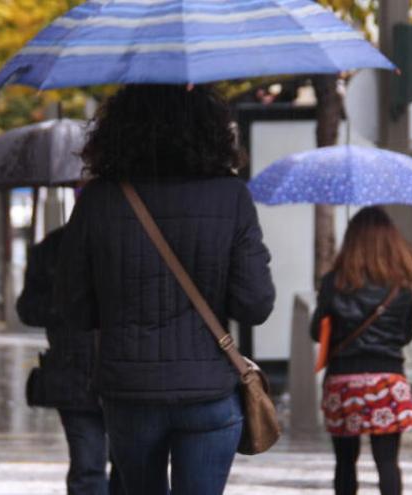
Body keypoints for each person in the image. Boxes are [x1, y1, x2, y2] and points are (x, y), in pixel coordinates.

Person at [56, 84, 275, 495]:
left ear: (119, 130)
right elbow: (255, 304)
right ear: (210, 130)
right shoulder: (231, 197)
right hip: (208, 388)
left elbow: (74, 309)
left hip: (129, 390)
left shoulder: (98, 200)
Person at [309, 207, 412, 495]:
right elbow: (407, 333)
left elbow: (315, 331)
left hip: (343, 382)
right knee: (387, 463)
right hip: (388, 381)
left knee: (345, 462)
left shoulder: (334, 282)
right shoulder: (402, 286)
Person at [17, 226, 122, 495]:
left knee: (131, 470)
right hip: (73, 373)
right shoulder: (52, 248)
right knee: (87, 466)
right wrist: (64, 302)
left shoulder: (131, 238)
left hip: (126, 373)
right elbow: (28, 309)